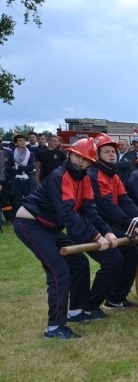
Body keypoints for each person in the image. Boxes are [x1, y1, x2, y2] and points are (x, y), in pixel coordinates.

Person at [14, 138, 119, 339]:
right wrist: (96, 235)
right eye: (78, 156)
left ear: (90, 163)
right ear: (70, 154)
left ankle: (76, 311)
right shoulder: (59, 176)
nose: (80, 162)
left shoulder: (85, 179)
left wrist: (106, 231)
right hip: (29, 224)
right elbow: (68, 215)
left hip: (50, 226)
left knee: (79, 262)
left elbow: (90, 210)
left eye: (86, 159)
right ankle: (54, 328)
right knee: (58, 270)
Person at [87, 133, 138, 311]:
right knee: (115, 261)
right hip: (93, 224)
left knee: (134, 254)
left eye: (113, 151)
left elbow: (125, 201)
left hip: (107, 224)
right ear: (97, 156)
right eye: (106, 152)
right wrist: (132, 226)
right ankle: (90, 305)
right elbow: (107, 207)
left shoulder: (113, 175)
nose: (112, 154)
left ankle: (115, 298)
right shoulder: (94, 175)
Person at [7, 133, 37, 216]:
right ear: (16, 143)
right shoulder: (12, 154)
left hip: (28, 180)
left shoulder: (31, 154)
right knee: (17, 200)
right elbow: (8, 168)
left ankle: (30, 216)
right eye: (20, 140)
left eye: (24, 140)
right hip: (16, 180)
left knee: (30, 199)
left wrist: (17, 168)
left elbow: (31, 167)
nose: (23, 142)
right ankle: (18, 217)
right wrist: (23, 170)